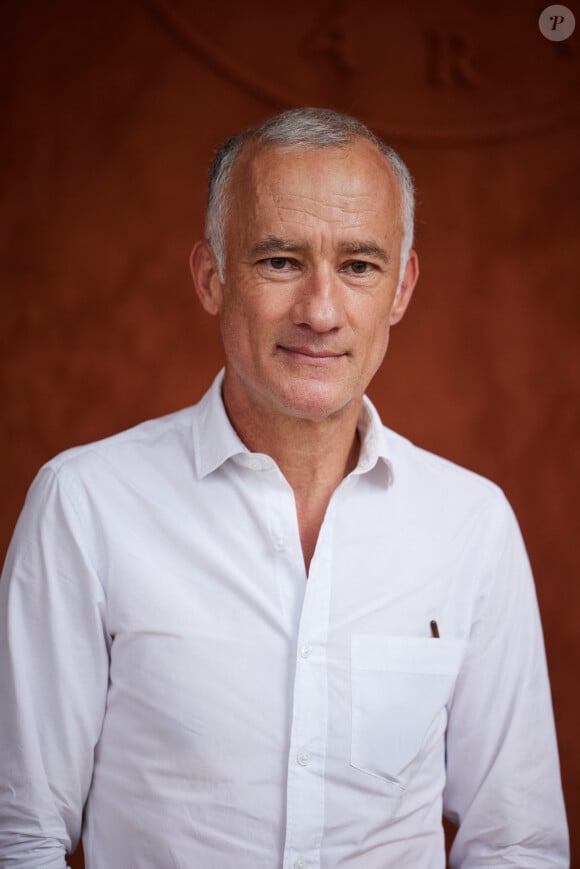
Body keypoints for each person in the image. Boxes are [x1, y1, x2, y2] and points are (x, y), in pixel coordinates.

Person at [0, 108, 569, 868]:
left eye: (359, 265)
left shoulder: (471, 523)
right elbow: (20, 833)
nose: (321, 312)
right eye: (280, 261)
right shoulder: (85, 504)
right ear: (212, 277)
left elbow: (518, 843)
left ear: (401, 287)